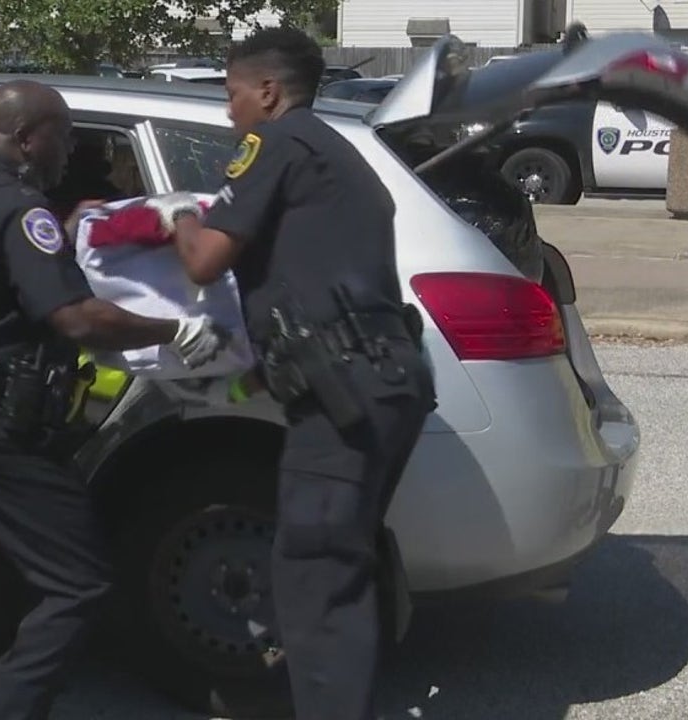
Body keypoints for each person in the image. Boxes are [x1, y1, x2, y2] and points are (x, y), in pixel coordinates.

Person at [146, 27, 437, 720]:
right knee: (340, 566)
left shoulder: (276, 144)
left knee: (313, 577)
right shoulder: (340, 150)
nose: (228, 110)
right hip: (383, 380)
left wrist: (176, 214)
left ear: (268, 92)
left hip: (341, 389)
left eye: (232, 93)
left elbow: (205, 260)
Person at [0, 78, 229, 719]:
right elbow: (76, 320)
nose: (69, 151)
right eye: (64, 138)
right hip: (9, 433)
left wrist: (79, 219)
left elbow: (12, 260)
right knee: (80, 582)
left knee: (5, 578)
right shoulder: (22, 211)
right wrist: (172, 328)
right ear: (28, 138)